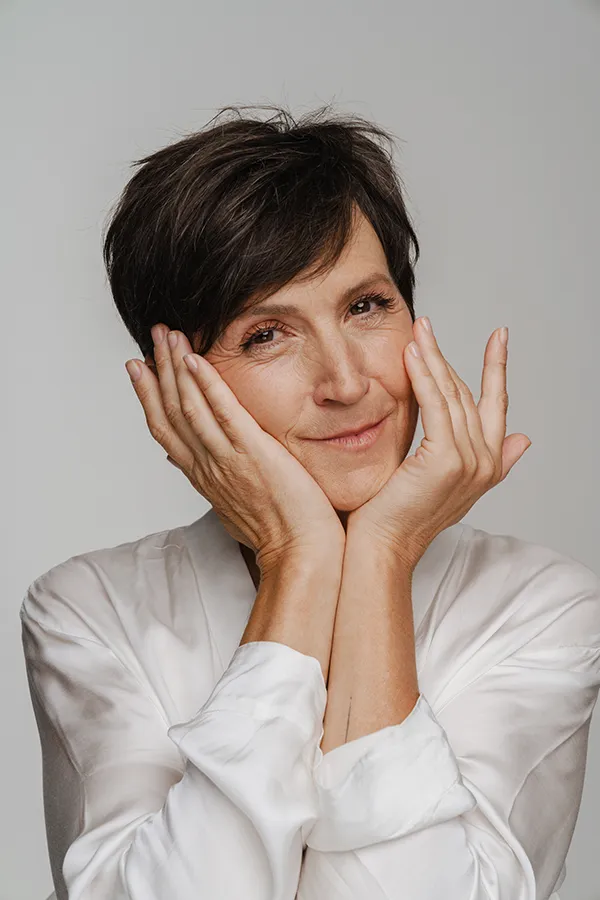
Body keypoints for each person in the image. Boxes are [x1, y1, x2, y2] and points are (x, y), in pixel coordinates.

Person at [21, 104, 599, 900]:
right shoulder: (91, 611)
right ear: (177, 386)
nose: (347, 382)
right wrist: (301, 560)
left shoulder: (538, 606)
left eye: (367, 306)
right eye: (267, 334)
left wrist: (383, 553)